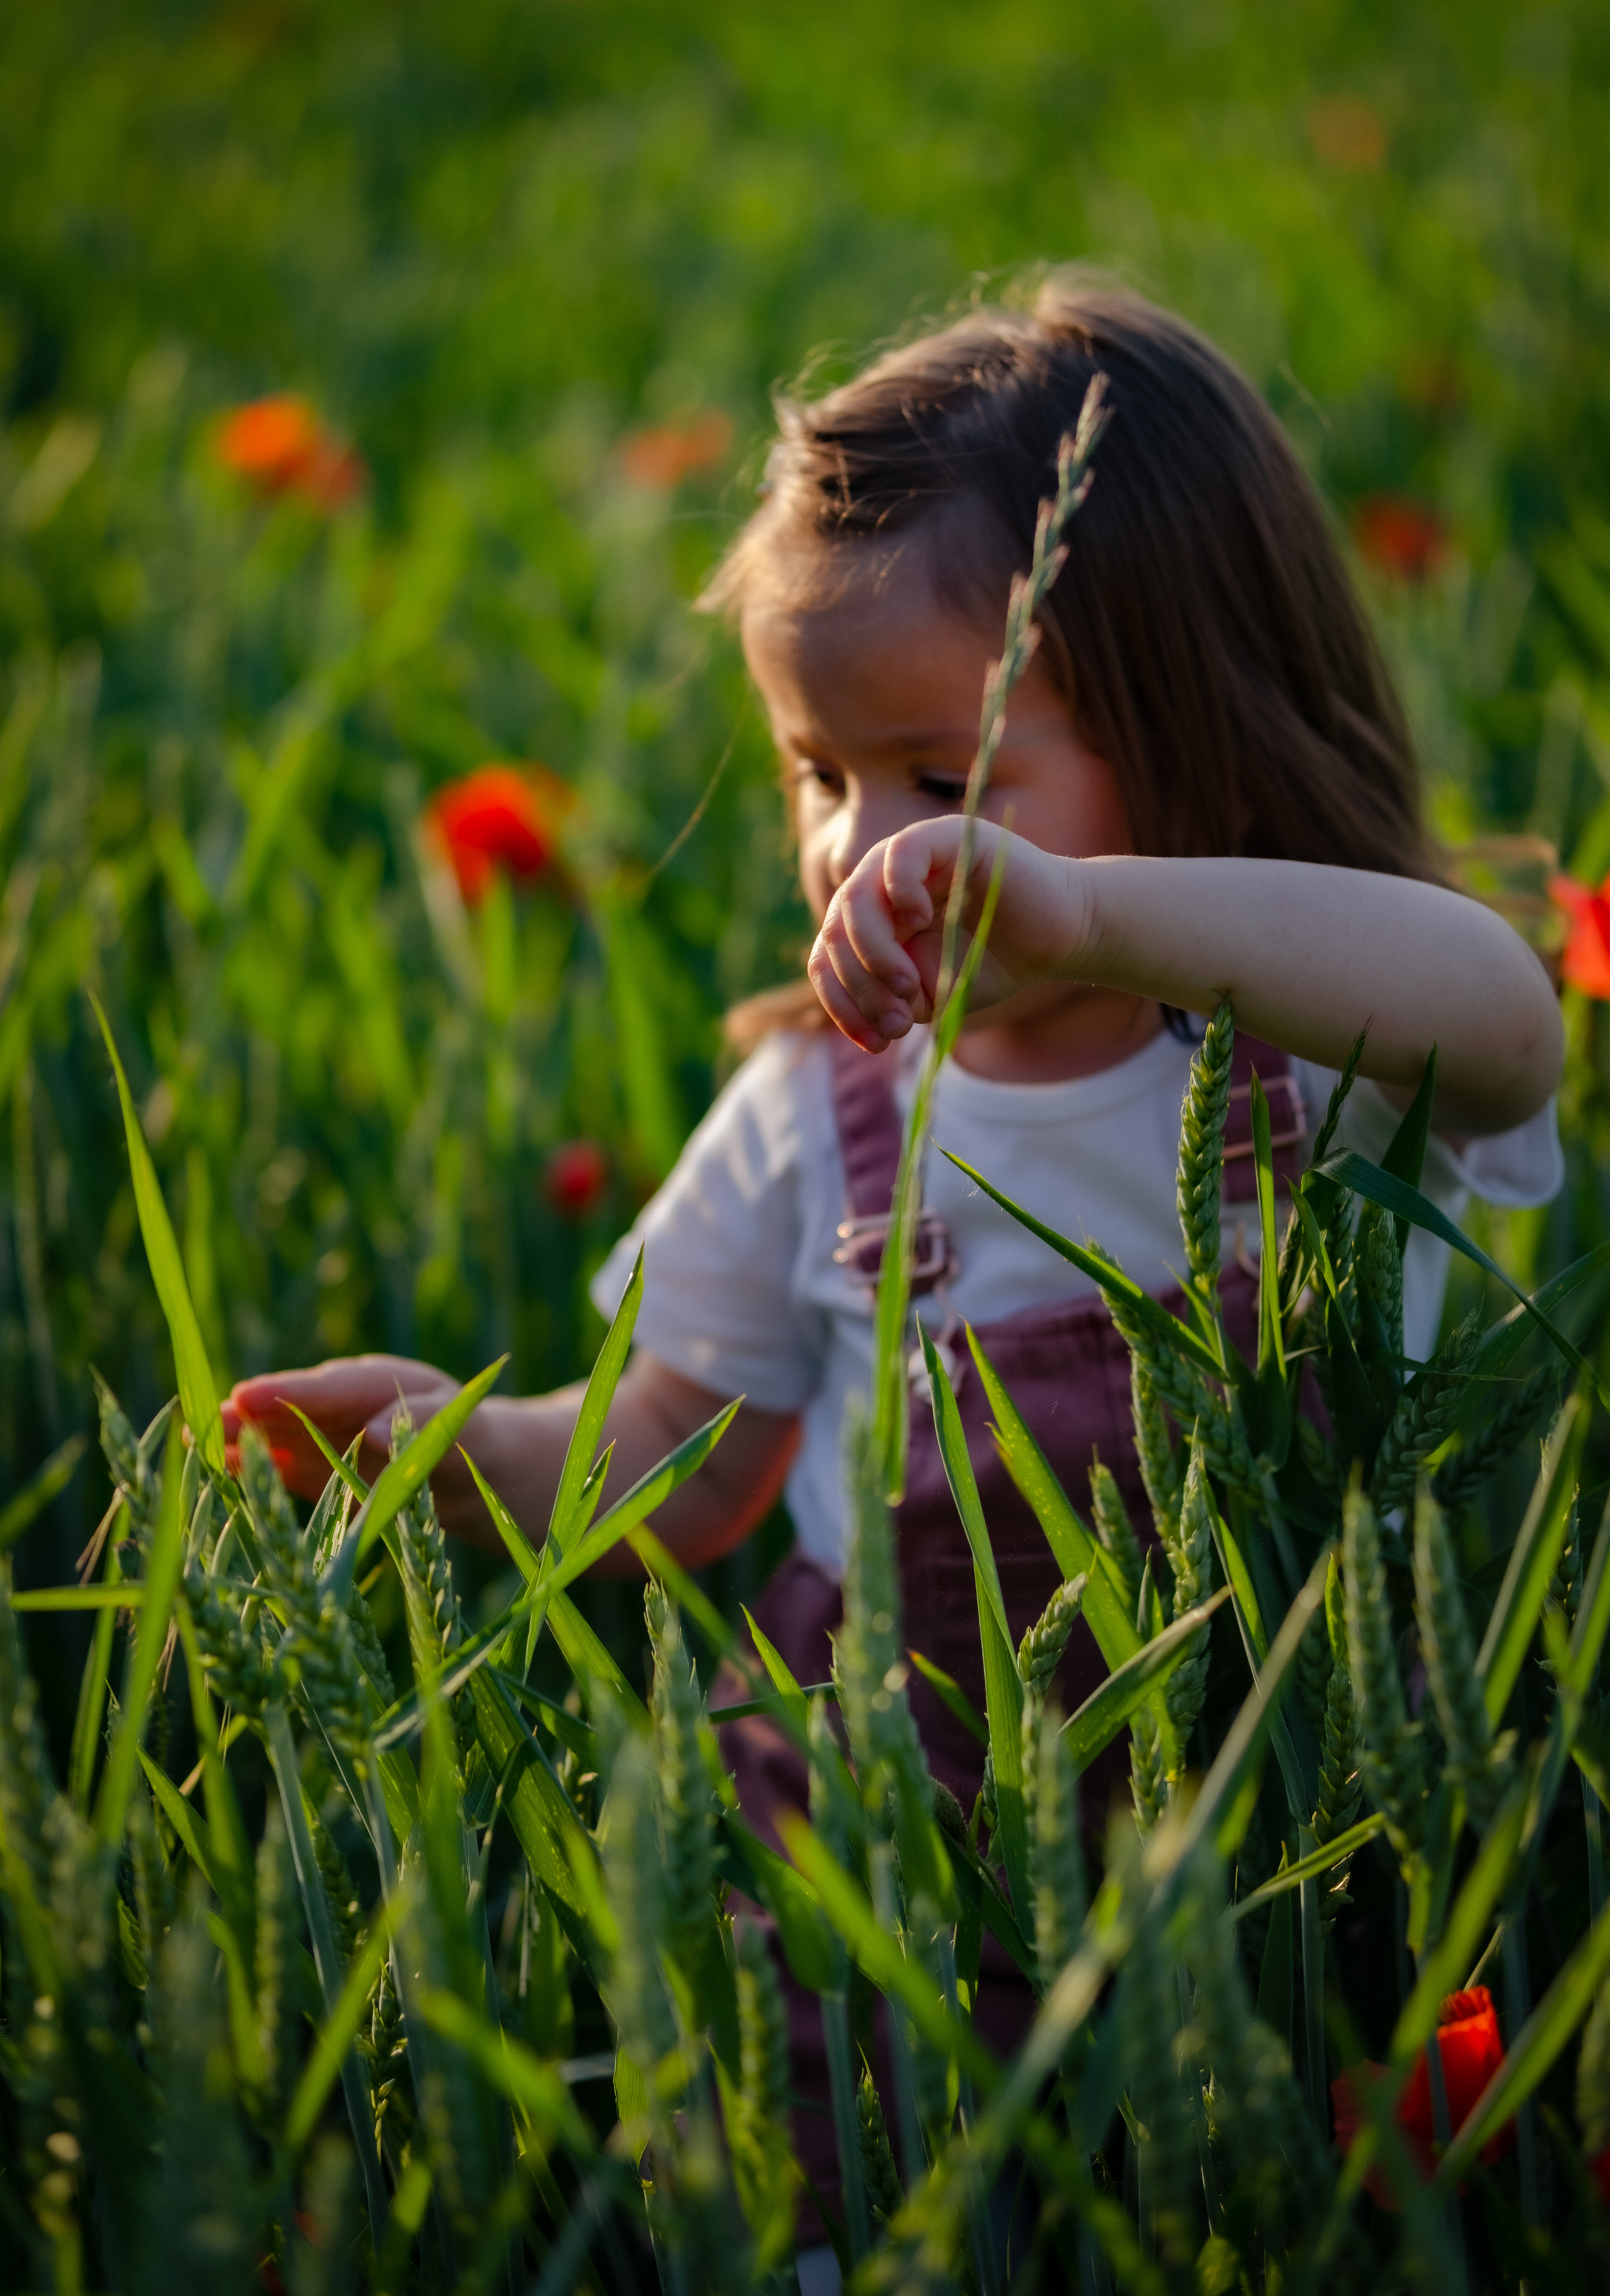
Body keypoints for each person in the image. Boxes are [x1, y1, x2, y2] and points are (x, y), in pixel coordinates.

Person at [223, 277, 1563, 2234]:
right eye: (815, 774)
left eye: (945, 779)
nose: (859, 845)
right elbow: (675, 1463)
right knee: (878, 2178)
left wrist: (1095, 917)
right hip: (895, 1829)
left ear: (1197, 734)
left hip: (1295, 1812)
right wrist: (459, 1446)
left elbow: (1508, 1019)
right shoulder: (816, 1112)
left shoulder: (1312, 1045)